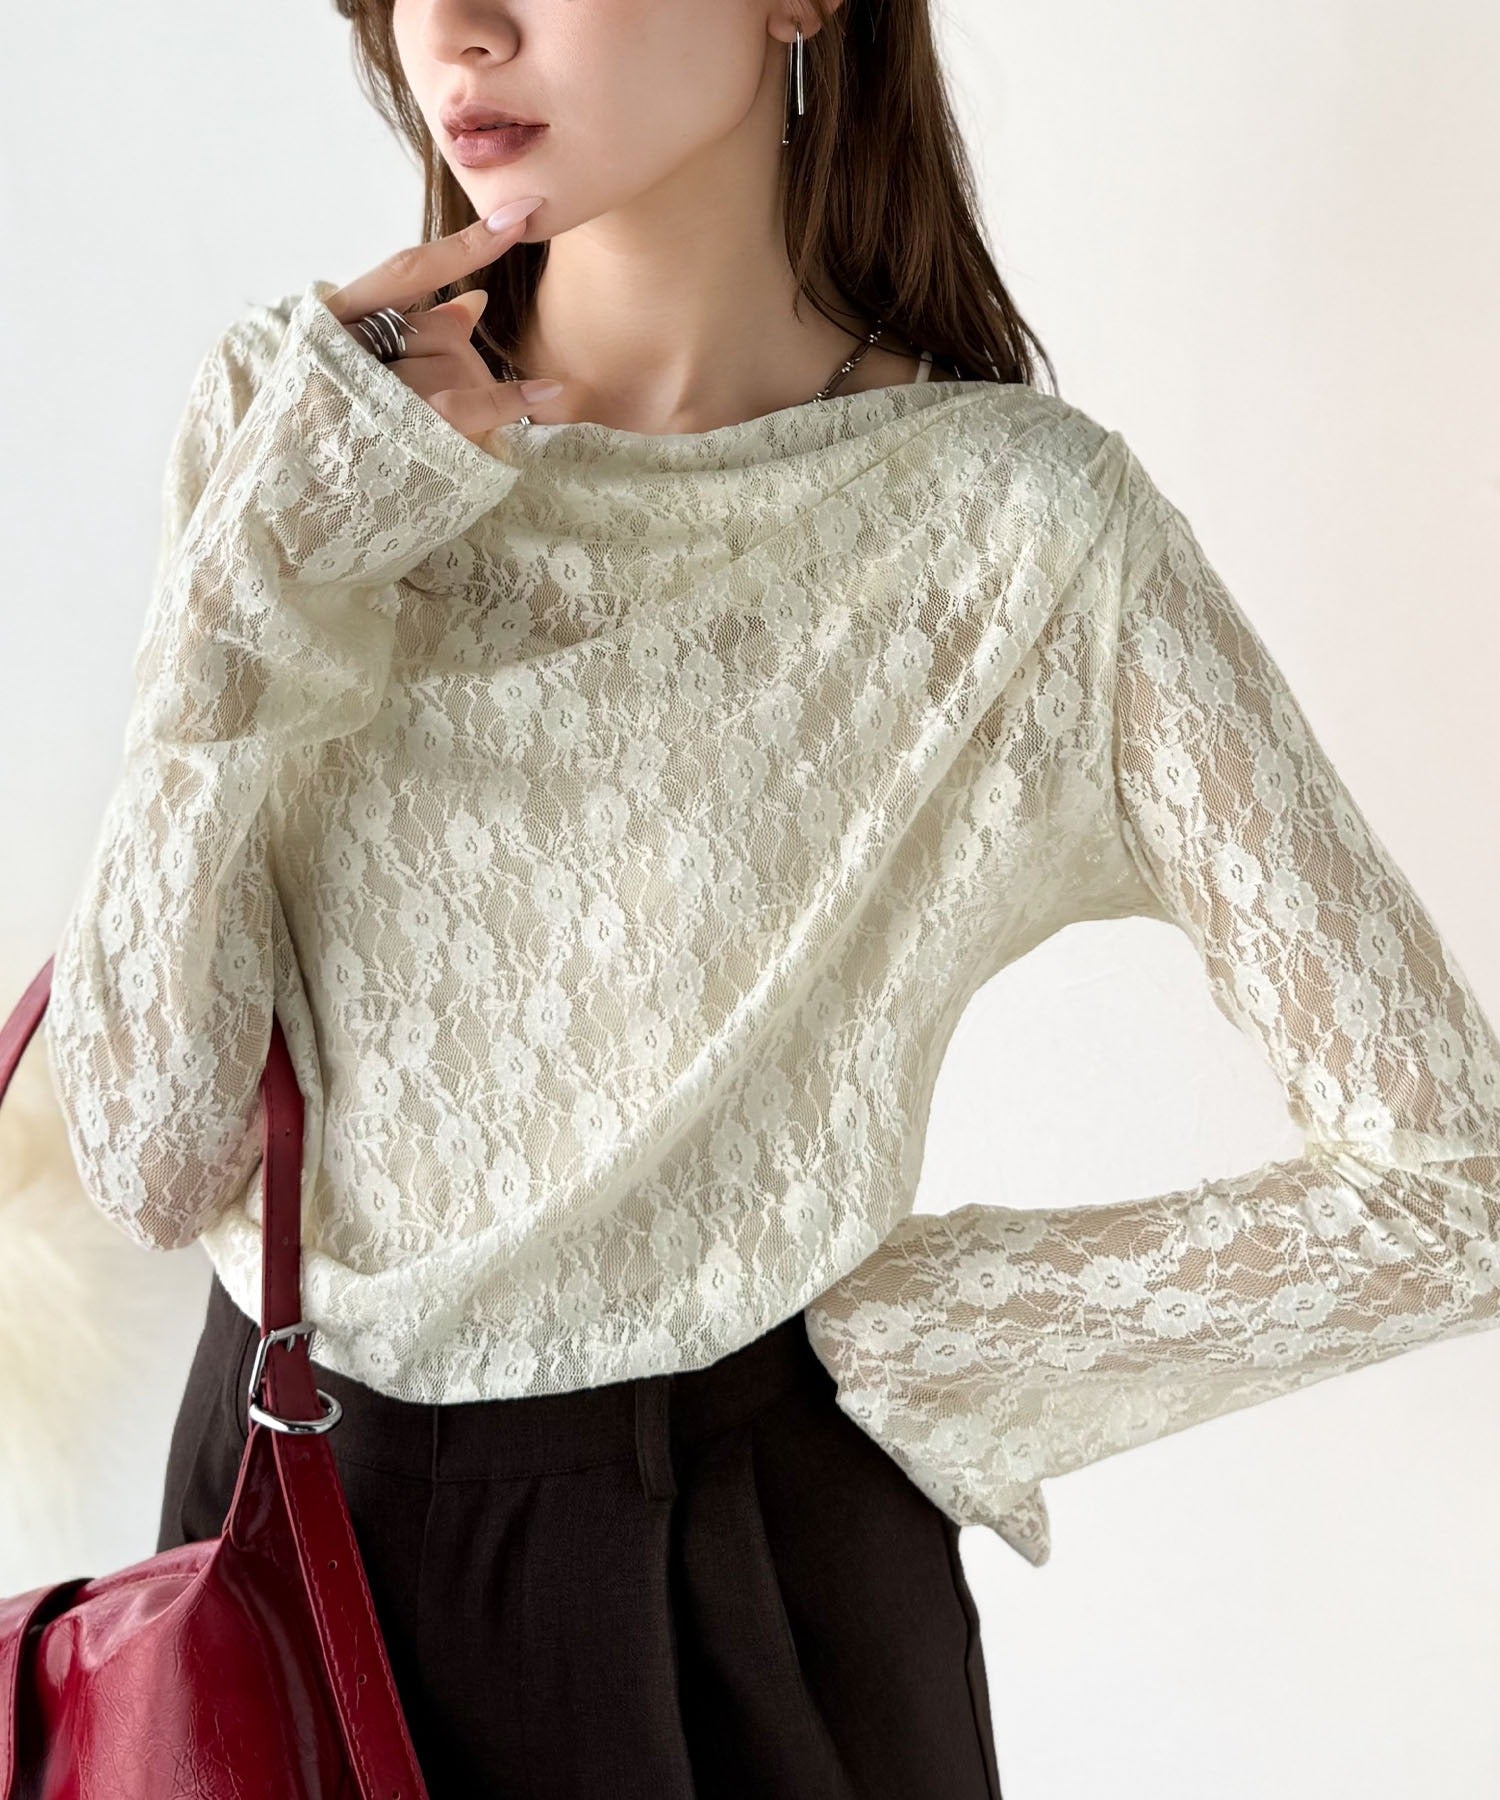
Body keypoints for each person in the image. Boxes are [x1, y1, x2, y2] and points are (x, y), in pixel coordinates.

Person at [41, 1, 1500, 1796]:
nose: (460, 33)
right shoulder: (303, 427)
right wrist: (241, 598)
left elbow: (1455, 1186)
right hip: (285, 1542)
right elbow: (151, 1160)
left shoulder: (1022, 531)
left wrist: (935, 1346)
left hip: (739, 1595)